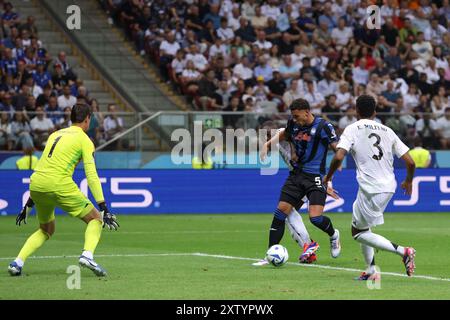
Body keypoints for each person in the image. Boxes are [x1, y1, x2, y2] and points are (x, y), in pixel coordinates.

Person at [8, 104, 119, 277]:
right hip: (59, 183)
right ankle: (87, 255)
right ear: (87, 119)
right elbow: (91, 174)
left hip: (37, 184)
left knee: (46, 229)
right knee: (96, 219)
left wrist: (28, 205)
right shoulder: (84, 140)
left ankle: (17, 263)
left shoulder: (55, 134)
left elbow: (44, 168)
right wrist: (103, 206)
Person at [324, 94, 416, 280]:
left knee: (358, 233)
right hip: (387, 185)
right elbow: (411, 162)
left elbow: (339, 156)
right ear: (375, 112)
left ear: (356, 111)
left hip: (372, 188)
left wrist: (328, 177)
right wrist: (408, 181)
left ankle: (403, 251)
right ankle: (372, 271)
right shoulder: (387, 130)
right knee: (360, 222)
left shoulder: (352, 128)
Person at [255, 98, 341, 266]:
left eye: (296, 116)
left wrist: (332, 175)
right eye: (292, 117)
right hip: (296, 175)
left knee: (315, 218)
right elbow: (285, 133)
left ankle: (333, 235)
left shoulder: (323, 126)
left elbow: (336, 148)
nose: (294, 120)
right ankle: (271, 252)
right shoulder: (293, 125)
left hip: (316, 176)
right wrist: (267, 144)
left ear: (307, 112)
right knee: (281, 213)